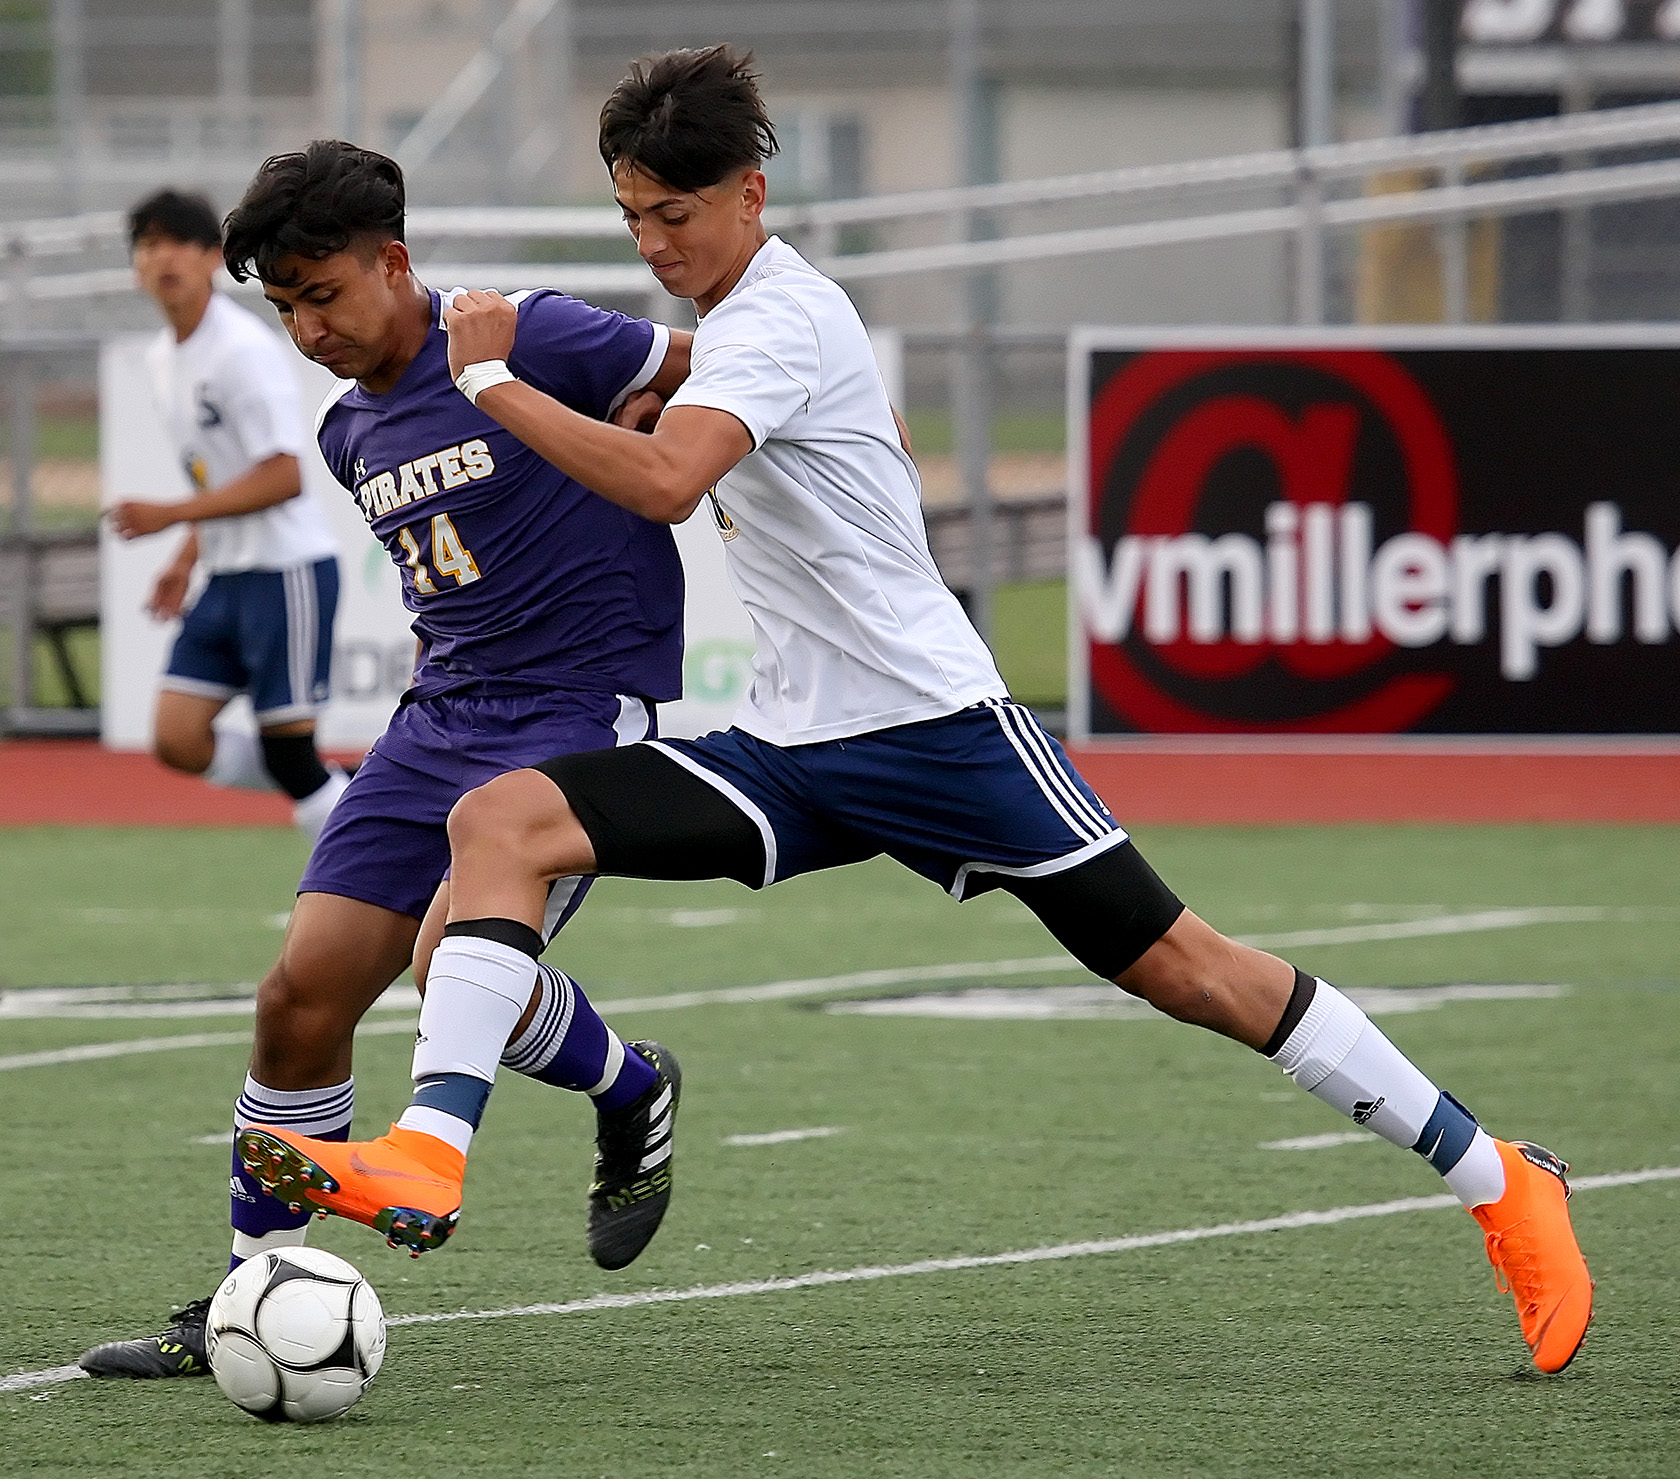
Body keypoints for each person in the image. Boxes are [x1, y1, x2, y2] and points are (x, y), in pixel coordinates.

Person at [237, 49, 1595, 1377]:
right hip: (795, 745)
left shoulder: (782, 314)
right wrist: (651, 386)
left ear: (753, 196)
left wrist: (493, 382)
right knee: (507, 819)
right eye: (634, 216)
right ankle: (428, 1148)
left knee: (1192, 971)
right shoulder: (737, 333)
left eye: (679, 214)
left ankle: (1501, 1176)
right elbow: (696, 408)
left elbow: (660, 485)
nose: (655, 243)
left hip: (939, 728)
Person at [81, 142, 690, 1380]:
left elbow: (714, 367)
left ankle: (625, 1089)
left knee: (446, 968)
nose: (309, 328)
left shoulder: (535, 333)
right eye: (287, 306)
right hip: (438, 721)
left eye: (325, 294)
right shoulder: (348, 431)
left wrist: (666, 404)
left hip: (573, 713)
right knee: (297, 1001)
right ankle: (249, 1293)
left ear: (394, 260)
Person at [112, 188, 349, 839]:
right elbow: (217, 474)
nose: (163, 258)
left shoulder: (241, 350)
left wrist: (169, 514)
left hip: (285, 571)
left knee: (290, 754)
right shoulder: (164, 358)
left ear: (212, 257)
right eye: (148, 245)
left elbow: (282, 475)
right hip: (227, 575)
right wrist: (186, 557)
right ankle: (350, 789)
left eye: (179, 244)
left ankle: (364, 871)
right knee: (177, 737)